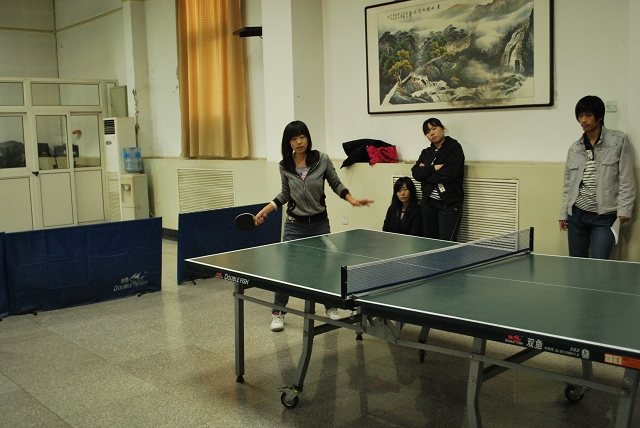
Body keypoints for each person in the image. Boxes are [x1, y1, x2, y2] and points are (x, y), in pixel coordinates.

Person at [254, 120, 374, 331]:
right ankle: (278, 312)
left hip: (319, 224)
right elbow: (284, 194)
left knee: (325, 268)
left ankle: (330, 307)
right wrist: (265, 210)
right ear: (288, 142)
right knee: (287, 269)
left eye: (302, 137)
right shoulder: (285, 165)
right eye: (294, 138)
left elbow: (336, 183)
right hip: (294, 225)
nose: (299, 142)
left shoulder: (322, 160)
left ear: (308, 138)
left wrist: (351, 199)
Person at [559, 95, 635, 259]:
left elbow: (626, 178)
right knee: (577, 263)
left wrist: (625, 209)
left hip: (605, 216)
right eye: (580, 116)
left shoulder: (618, 141)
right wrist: (563, 213)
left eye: (588, 115)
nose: (583, 120)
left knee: (600, 263)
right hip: (577, 215)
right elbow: (568, 184)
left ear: (599, 116)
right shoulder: (575, 148)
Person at [411, 118, 465, 241]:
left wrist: (426, 174)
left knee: (446, 244)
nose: (432, 133)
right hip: (428, 203)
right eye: (427, 131)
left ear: (443, 128)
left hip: (448, 204)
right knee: (430, 243)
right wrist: (434, 168)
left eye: (434, 128)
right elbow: (416, 173)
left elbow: (448, 174)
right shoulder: (426, 153)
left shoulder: (454, 148)